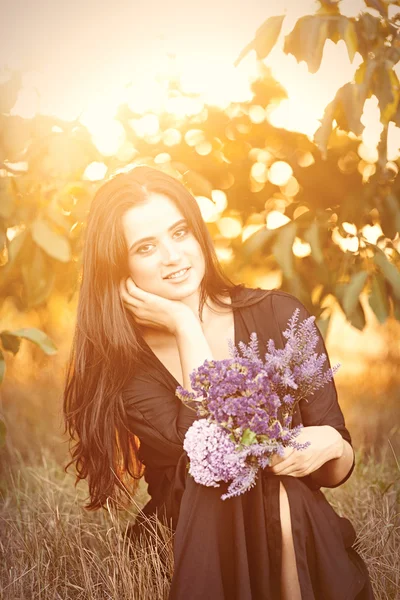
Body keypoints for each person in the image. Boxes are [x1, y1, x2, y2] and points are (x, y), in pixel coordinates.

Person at [63, 165, 375, 599]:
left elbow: (334, 471)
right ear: (119, 267)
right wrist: (184, 325)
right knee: (246, 480)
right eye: (146, 247)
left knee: (285, 491)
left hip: (292, 521)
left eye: (180, 232)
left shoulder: (280, 317)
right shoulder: (122, 367)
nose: (173, 256)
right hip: (194, 534)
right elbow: (210, 454)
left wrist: (332, 445)